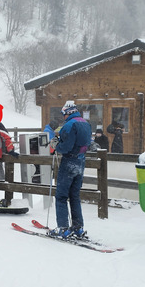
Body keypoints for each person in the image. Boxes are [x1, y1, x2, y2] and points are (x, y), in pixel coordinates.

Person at [49, 100, 91, 239]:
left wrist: (56, 145)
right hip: (81, 161)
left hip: (69, 162)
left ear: (68, 112)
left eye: (63, 114)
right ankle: (78, 227)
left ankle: (62, 227)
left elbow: (65, 146)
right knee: (74, 196)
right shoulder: (85, 123)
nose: (63, 117)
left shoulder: (69, 125)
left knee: (61, 196)